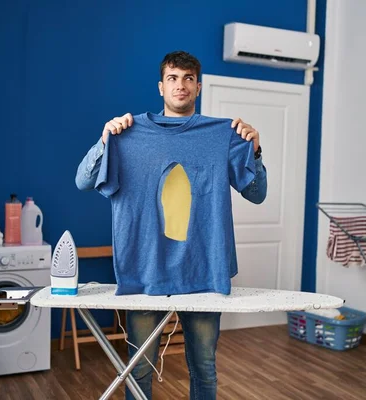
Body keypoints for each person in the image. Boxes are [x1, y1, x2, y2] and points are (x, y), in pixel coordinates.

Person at [75, 51, 267, 400]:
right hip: (147, 269)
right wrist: (105, 140)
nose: (181, 85)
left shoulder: (222, 135)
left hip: (204, 270)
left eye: (188, 79)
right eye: (173, 78)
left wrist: (254, 149)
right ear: (161, 86)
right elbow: (82, 181)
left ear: (198, 87)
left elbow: (257, 195)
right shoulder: (127, 133)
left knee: (204, 366)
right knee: (140, 368)